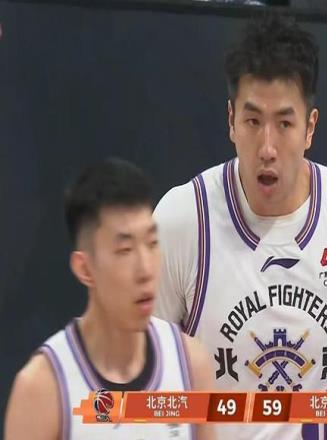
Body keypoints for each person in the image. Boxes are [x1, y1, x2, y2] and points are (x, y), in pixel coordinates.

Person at [154, 15, 327, 440]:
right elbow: (152, 394)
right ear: (231, 120)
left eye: (285, 124)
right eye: (253, 122)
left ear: (310, 128)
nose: (267, 148)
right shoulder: (182, 222)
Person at [4, 158, 215, 440]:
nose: (145, 269)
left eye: (152, 244)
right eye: (125, 250)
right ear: (84, 268)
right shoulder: (43, 390)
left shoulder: (191, 366)